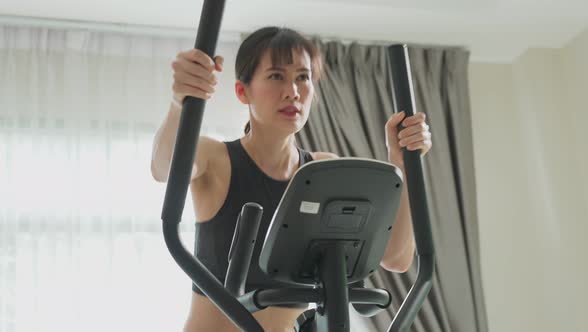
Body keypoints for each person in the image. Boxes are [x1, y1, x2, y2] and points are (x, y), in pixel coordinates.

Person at [151, 26, 432, 332]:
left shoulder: (325, 171)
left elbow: (397, 258)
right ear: (243, 91)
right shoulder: (215, 159)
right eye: (276, 76)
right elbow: (164, 166)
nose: (293, 91)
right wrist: (181, 101)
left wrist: (401, 164)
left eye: (303, 77)